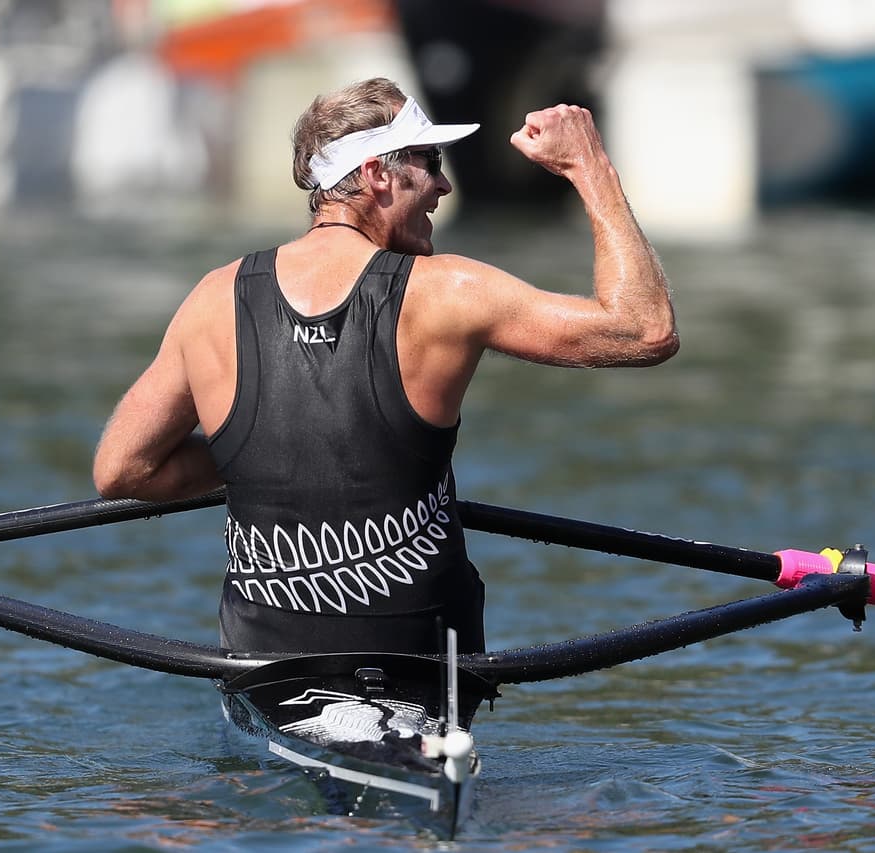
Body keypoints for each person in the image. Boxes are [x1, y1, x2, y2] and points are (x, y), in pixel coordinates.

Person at [92, 77, 678, 656]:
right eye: (430, 161)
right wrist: (590, 167)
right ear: (376, 173)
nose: (444, 184)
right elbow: (644, 330)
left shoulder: (213, 299)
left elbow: (123, 471)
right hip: (422, 661)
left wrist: (258, 454)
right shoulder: (448, 290)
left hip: (265, 662)